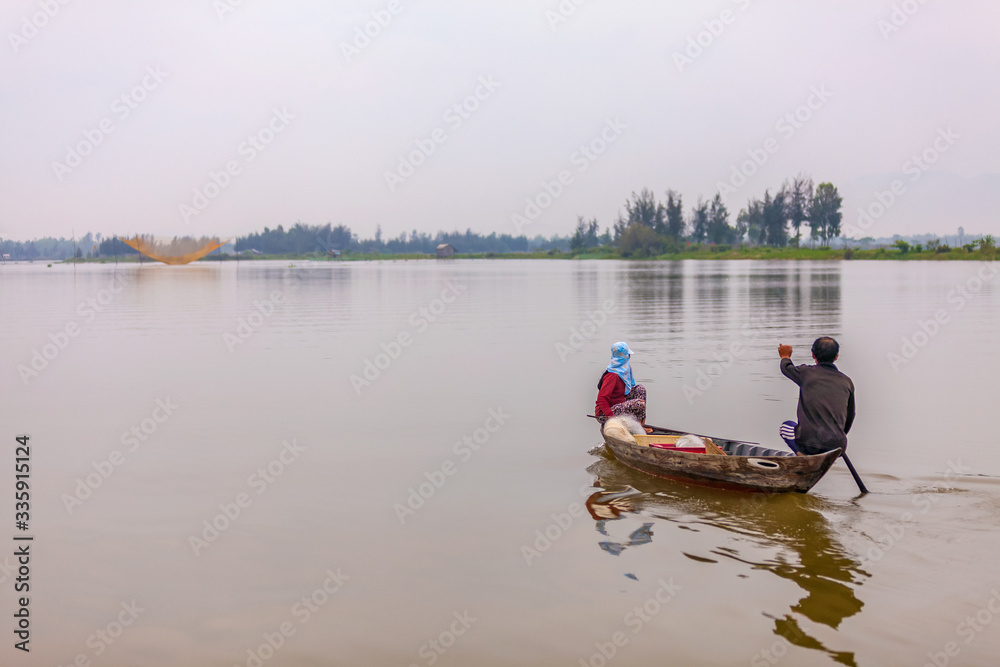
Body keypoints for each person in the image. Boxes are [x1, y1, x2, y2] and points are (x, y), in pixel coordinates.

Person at [778, 337, 855, 456]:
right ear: (836, 357)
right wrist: (839, 435)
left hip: (808, 445)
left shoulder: (805, 373)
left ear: (813, 355)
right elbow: (850, 415)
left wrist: (785, 357)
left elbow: (786, 368)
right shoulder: (847, 382)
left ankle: (801, 455)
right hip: (838, 445)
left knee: (785, 426)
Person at [595, 342, 649, 430]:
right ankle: (638, 429)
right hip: (605, 414)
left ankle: (640, 424)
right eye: (628, 355)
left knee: (640, 389)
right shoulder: (613, 375)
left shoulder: (623, 372)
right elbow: (602, 398)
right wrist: (611, 417)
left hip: (618, 405)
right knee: (639, 404)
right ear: (624, 357)